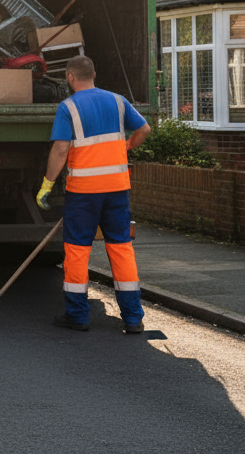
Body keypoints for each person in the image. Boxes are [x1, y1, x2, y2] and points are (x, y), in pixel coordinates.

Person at [36, 55, 151, 333]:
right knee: (121, 249)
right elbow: (144, 128)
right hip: (117, 190)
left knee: (77, 251)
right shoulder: (117, 101)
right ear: (94, 73)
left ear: (69, 77)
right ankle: (133, 317)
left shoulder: (69, 107)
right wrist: (126, 147)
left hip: (84, 193)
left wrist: (46, 185)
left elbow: (61, 150)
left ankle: (77, 315)